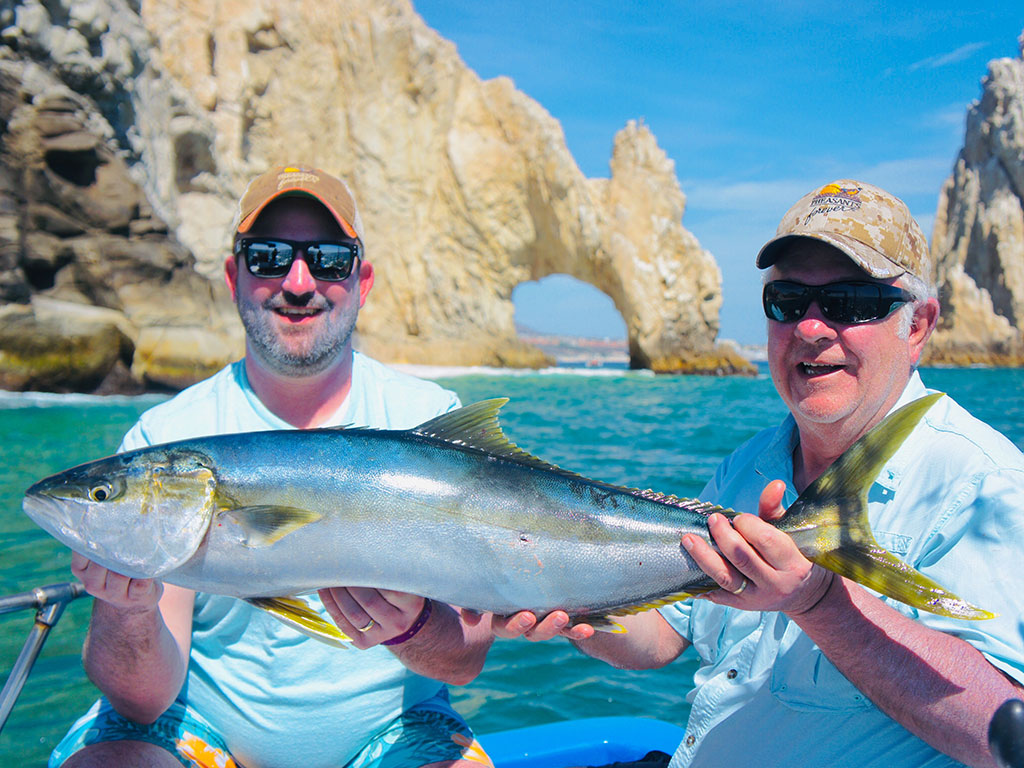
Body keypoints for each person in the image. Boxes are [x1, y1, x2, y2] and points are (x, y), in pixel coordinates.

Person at [501, 180, 1024, 768]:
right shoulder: (750, 465)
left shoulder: (984, 484)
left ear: (919, 325)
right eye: (788, 301)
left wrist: (819, 602)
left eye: (852, 302)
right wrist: (571, 606)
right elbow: (664, 637)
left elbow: (1003, 733)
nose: (811, 327)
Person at [51, 165, 496, 768]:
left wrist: (414, 629)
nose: (298, 281)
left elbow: (465, 661)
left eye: (329, 260)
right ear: (235, 277)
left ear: (361, 281)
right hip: (193, 729)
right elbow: (142, 700)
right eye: (267, 256)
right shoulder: (167, 435)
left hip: (398, 732)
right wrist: (127, 610)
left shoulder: (427, 421)